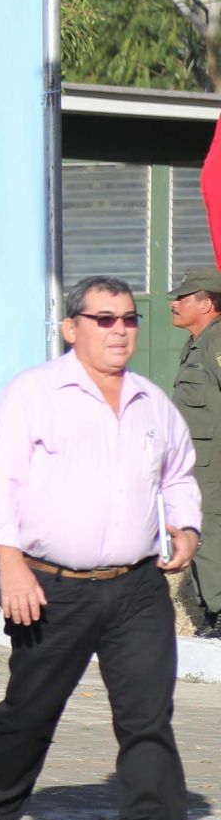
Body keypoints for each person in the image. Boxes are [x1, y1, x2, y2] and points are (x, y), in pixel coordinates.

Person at [0, 276, 204, 820]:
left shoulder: (153, 403)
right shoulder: (33, 394)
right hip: (52, 586)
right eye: (104, 319)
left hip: (136, 587)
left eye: (128, 319)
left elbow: (178, 473)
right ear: (72, 327)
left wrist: (186, 525)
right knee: (30, 710)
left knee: (148, 716)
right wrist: (10, 563)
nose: (120, 330)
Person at [169, 268, 221, 639]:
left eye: (183, 297)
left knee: (211, 534)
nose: (174, 303)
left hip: (214, 464)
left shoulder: (217, 343)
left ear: (206, 303)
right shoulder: (197, 344)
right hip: (196, 464)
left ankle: (218, 615)